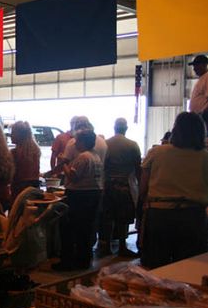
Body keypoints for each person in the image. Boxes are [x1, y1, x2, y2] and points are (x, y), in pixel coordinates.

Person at [140, 112, 208, 268]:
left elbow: (143, 187)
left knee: (156, 267)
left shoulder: (157, 152)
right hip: (193, 216)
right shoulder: (205, 157)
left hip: (159, 215)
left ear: (176, 129)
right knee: (189, 267)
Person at [53, 128, 103, 271]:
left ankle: (68, 261)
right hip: (93, 195)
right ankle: (83, 260)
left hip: (79, 196)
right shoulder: (96, 156)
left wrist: (64, 163)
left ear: (83, 142)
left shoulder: (83, 157)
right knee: (86, 230)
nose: (75, 144)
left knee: (69, 229)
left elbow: (73, 177)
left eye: (77, 141)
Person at [101, 118, 141, 257]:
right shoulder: (132, 145)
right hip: (125, 185)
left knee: (108, 217)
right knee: (123, 218)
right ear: (126, 128)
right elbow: (138, 167)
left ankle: (106, 246)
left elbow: (102, 166)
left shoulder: (106, 144)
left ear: (114, 127)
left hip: (108, 185)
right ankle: (122, 247)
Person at [10, 121, 41, 200]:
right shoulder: (35, 151)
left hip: (19, 189)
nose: (11, 135)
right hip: (34, 188)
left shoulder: (14, 153)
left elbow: (11, 174)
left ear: (20, 135)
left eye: (13, 132)